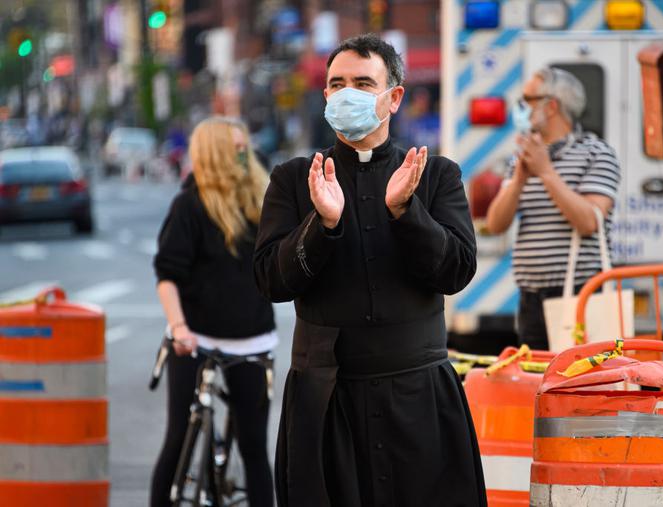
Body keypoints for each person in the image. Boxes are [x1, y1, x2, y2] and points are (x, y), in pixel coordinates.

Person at [253, 34, 485, 507]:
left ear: (393, 97)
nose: (347, 94)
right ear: (324, 97)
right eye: (336, 84)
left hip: (417, 397)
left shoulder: (435, 175)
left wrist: (406, 212)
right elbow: (272, 282)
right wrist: (323, 223)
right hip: (325, 399)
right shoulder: (295, 180)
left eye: (363, 82)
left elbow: (457, 272)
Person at [150, 117, 276, 507]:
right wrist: (179, 327)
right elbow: (168, 274)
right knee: (177, 436)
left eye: (245, 148)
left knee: (255, 445)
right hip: (196, 336)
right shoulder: (189, 205)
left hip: (252, 339)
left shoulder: (262, 199)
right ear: (215, 154)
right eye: (234, 150)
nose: (245, 156)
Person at [485, 67, 621, 350]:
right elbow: (495, 224)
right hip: (531, 297)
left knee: (580, 386)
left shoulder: (597, 153)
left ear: (552, 106)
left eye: (528, 99)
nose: (520, 107)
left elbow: (588, 221)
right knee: (536, 386)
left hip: (581, 295)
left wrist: (546, 172)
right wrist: (520, 178)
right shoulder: (523, 158)